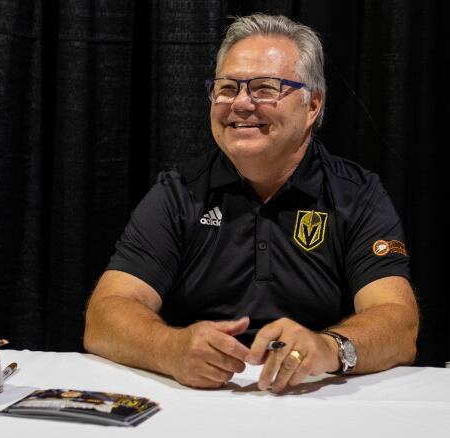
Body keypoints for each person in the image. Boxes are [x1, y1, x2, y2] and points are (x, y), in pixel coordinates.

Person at [83, 13, 419, 393]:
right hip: (197, 401)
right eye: (227, 87)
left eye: (264, 88)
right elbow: (104, 315)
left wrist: (327, 348)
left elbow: (398, 323)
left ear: (312, 106)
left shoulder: (357, 195)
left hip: (315, 399)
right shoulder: (178, 193)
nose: (240, 103)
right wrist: (168, 347)